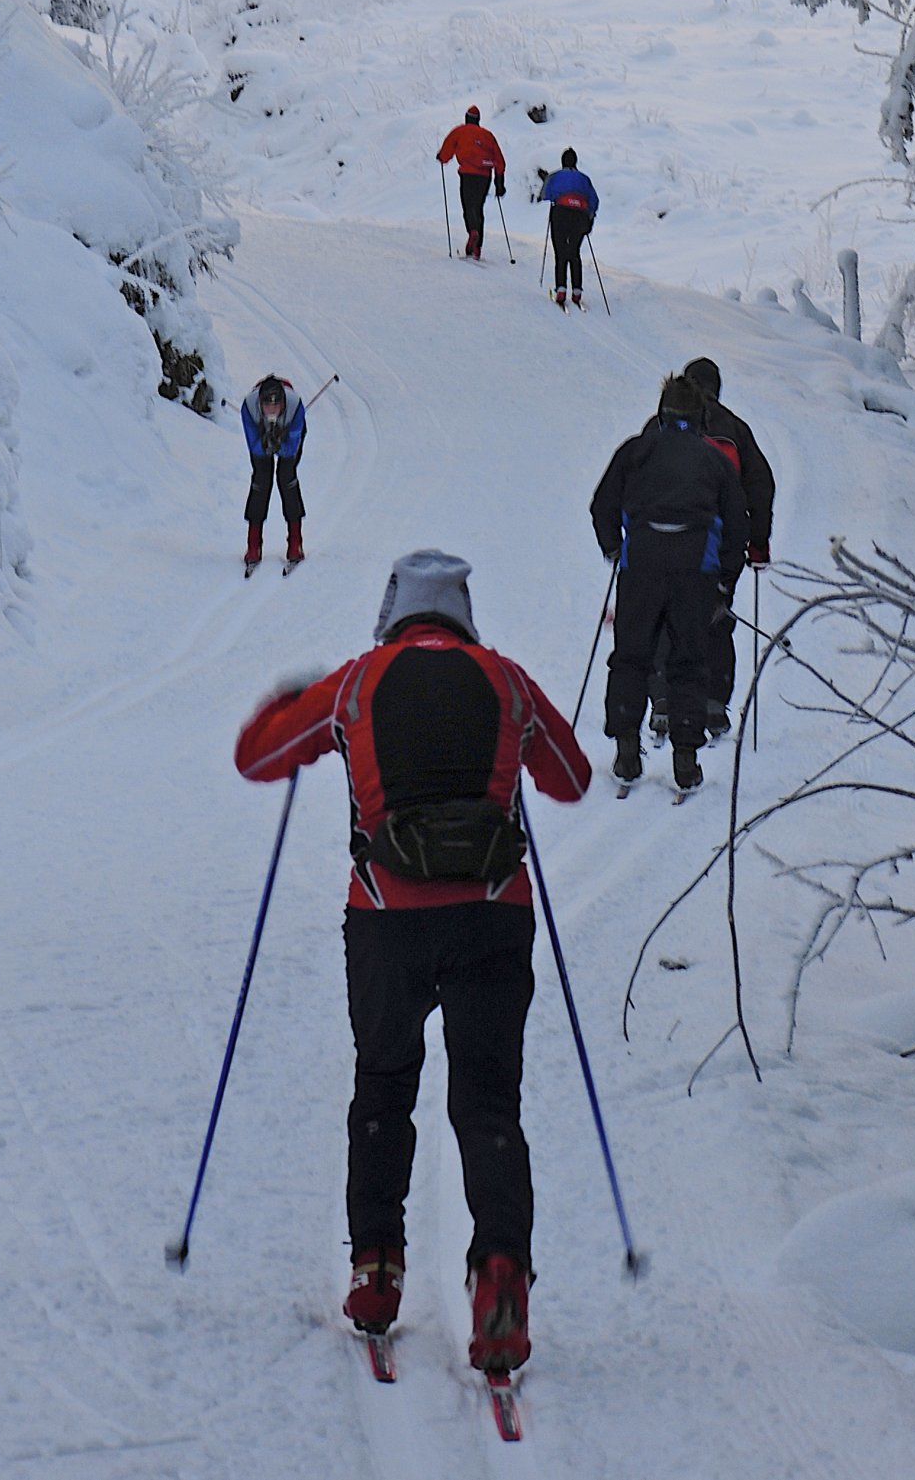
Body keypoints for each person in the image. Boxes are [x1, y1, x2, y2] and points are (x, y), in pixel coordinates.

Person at [234, 549, 591, 1371]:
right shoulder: (505, 680)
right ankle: (501, 1279)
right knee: (488, 1100)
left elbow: (256, 760)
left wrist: (288, 700)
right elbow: (571, 778)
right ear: (462, 612)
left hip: (387, 917)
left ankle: (376, 1270)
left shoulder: (359, 682)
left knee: (385, 1079)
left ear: (393, 610)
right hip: (494, 915)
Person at [590, 376, 750, 794]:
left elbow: (601, 504)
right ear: (699, 417)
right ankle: (685, 760)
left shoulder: (636, 450)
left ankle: (627, 751)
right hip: (695, 570)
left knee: (630, 656)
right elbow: (737, 526)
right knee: (689, 662)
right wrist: (725, 583)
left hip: (641, 563)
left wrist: (613, 548)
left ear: (662, 413)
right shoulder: (713, 459)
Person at [648, 358, 776, 741]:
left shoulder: (661, 423)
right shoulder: (736, 430)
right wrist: (758, 543)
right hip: (721, 547)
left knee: (664, 618)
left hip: (664, 540)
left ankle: (664, 703)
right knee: (715, 620)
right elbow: (760, 487)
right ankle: (714, 706)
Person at [240, 374, 307, 573]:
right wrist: (265, 443)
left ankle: (295, 542)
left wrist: (280, 444)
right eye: (267, 406)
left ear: (283, 403)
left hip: (288, 435)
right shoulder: (249, 408)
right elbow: (253, 444)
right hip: (259, 434)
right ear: (260, 403)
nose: (271, 411)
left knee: (287, 479)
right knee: (260, 482)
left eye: (276, 406)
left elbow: (293, 446)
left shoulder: (295, 407)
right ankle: (253, 545)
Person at [437, 105, 506, 261]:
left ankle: (472, 232)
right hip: (485, 176)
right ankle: (478, 247)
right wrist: (499, 183)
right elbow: (500, 161)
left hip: (468, 174)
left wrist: (442, 157)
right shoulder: (488, 136)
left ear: (467, 118)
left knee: (469, 206)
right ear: (478, 120)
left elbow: (446, 151)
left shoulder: (459, 131)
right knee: (478, 208)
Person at [537, 148, 599, 309]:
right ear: (575, 162)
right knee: (574, 252)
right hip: (579, 217)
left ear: (563, 161)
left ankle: (561, 289)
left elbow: (545, 195)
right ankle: (577, 291)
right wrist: (589, 218)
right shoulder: (584, 179)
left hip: (560, 214)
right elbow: (594, 201)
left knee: (560, 251)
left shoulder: (555, 176)